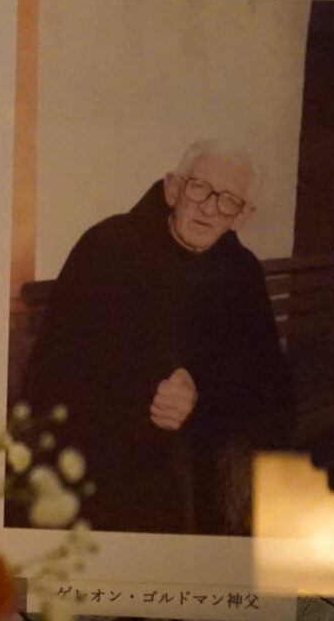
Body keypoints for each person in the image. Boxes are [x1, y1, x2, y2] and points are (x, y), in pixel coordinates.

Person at [18, 141, 297, 536]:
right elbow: (55, 366)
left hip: (207, 433)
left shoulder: (242, 270)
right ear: (173, 188)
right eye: (199, 188)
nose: (209, 208)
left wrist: (199, 392)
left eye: (228, 200)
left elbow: (266, 376)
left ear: (242, 216)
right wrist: (149, 390)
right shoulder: (106, 247)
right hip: (107, 431)